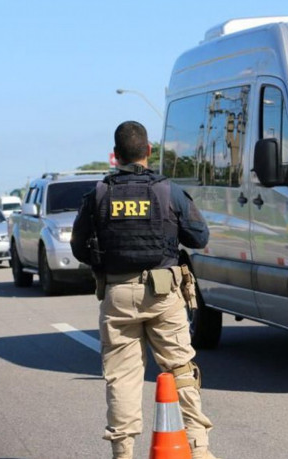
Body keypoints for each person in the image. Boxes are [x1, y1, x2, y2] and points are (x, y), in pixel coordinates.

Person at [71, 121, 217, 459]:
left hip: (118, 293)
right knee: (180, 370)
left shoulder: (98, 194)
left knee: (122, 378)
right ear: (148, 152)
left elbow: (79, 248)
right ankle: (200, 450)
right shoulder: (169, 192)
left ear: (115, 155)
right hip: (163, 293)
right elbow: (200, 237)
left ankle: (123, 454)